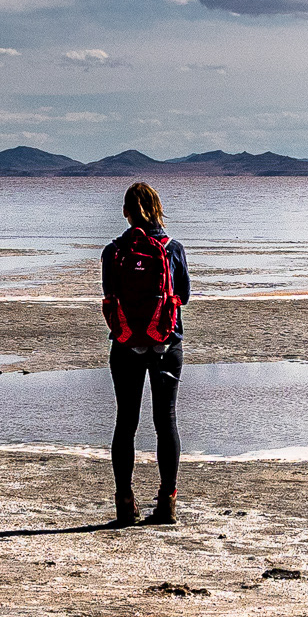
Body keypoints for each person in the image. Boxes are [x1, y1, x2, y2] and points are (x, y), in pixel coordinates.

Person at [99, 181, 191, 527]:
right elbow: (183, 293)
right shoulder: (171, 248)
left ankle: (125, 502)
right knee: (165, 419)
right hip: (167, 342)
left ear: (125, 212)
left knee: (126, 421)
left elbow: (109, 292)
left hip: (125, 344)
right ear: (157, 209)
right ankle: (167, 503)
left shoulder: (113, 251)